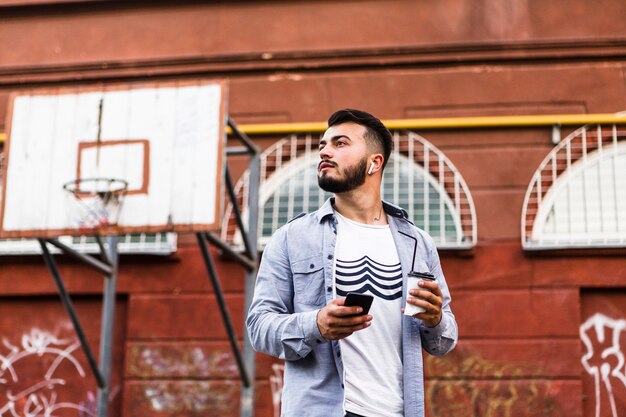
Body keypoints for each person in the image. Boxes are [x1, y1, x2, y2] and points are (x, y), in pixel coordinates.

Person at [246, 109, 458, 417]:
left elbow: (445, 340)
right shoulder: (291, 237)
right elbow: (259, 327)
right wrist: (315, 324)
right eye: (323, 145)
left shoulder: (417, 243)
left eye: (340, 143)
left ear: (375, 162)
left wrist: (434, 318)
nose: (325, 152)